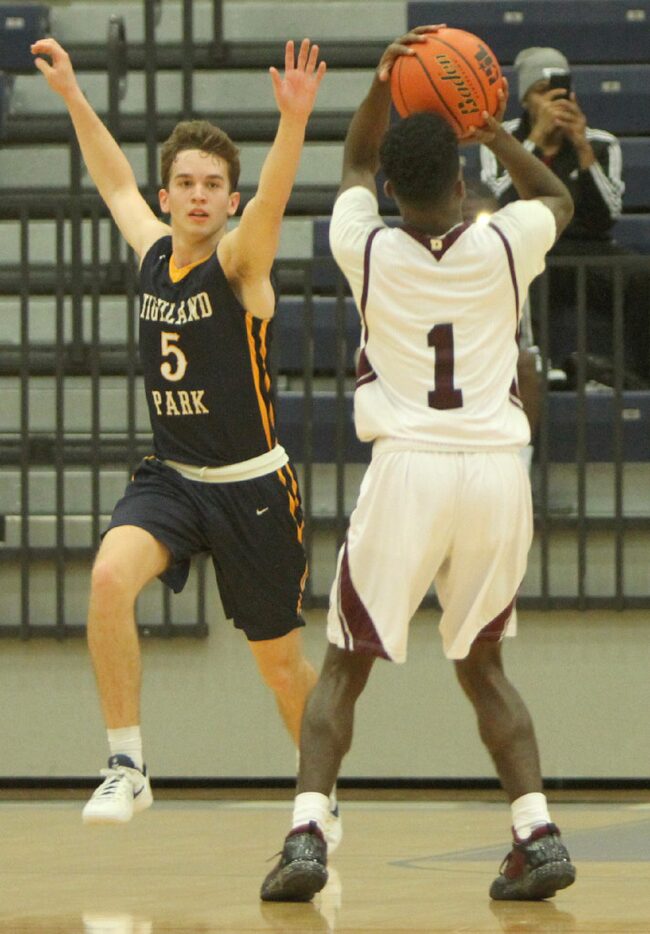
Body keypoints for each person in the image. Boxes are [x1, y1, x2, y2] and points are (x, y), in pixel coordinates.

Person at [260, 26, 577, 903]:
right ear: (465, 182)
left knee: (343, 664)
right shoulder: (506, 244)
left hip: (408, 471)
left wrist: (380, 85)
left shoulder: (366, 246)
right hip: (494, 475)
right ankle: (536, 831)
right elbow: (557, 200)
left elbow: (356, 165)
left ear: (394, 188)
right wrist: (495, 129)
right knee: (482, 666)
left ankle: (306, 837)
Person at [30, 36, 341, 846]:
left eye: (214, 187)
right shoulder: (152, 251)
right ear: (168, 195)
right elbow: (109, 177)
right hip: (172, 479)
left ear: (229, 202)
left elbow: (272, 204)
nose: (199, 197)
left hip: (252, 488)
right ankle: (127, 765)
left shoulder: (241, 266)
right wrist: (71, 93)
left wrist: (293, 124)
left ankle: (320, 794)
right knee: (106, 577)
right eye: (186, 185)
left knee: (279, 667)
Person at [480, 46, 650, 385]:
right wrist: (536, 142)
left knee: (643, 274)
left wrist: (583, 148)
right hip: (532, 246)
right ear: (526, 100)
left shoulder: (601, 143)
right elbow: (501, 204)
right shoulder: (502, 141)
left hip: (589, 248)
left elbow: (605, 217)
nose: (556, 101)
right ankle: (534, 369)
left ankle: (641, 377)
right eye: (543, 92)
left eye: (562, 90)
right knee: (519, 268)